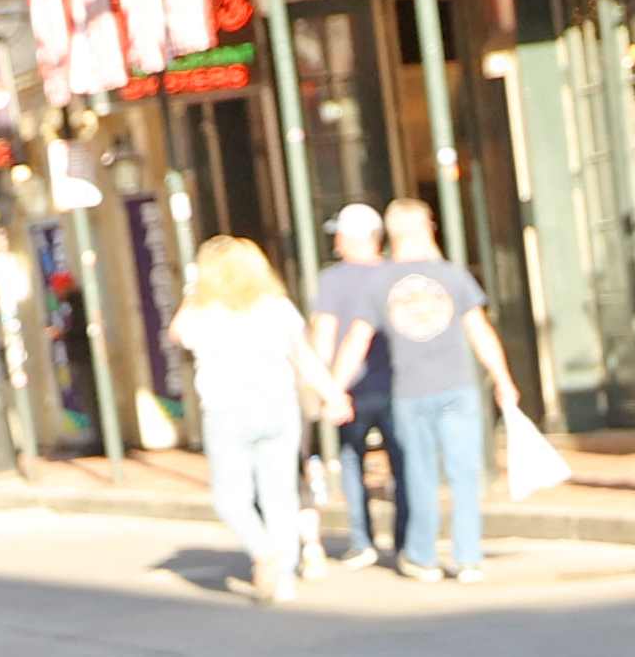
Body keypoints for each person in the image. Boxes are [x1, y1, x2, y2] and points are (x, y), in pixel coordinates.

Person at [324, 199, 518, 583]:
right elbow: (479, 331)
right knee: (465, 473)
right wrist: (503, 378)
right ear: (429, 227)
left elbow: (355, 343)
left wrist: (333, 389)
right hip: (457, 386)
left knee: (420, 475)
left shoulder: (381, 282)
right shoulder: (452, 275)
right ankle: (467, 558)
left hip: (411, 391)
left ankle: (423, 555)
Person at [165, 235, 326, 602]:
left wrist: (194, 292)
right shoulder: (276, 306)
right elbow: (303, 357)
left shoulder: (202, 311)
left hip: (227, 409)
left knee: (230, 496)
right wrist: (331, 394)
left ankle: (262, 550)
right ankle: (283, 575)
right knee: (280, 494)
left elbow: (176, 333)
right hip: (278, 405)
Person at [305, 202, 397, 566]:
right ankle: (405, 539)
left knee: (351, 459)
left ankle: (362, 540)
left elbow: (324, 334)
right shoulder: (394, 274)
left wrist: (324, 385)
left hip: (349, 387)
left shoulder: (332, 280)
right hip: (393, 381)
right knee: (401, 460)